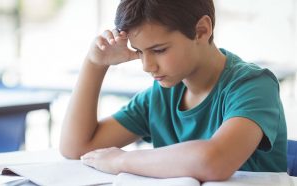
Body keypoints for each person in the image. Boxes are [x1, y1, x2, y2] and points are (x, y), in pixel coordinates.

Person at [59, 0, 287, 181]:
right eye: (139, 52)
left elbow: (214, 161)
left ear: (201, 30)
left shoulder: (254, 85)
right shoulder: (161, 95)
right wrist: (95, 63)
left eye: (158, 50)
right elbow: (77, 147)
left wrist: (121, 160)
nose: (146, 66)